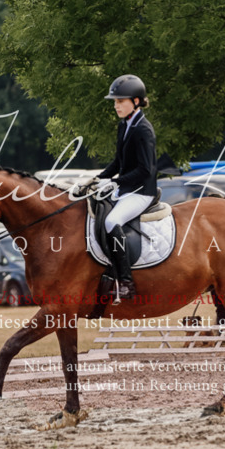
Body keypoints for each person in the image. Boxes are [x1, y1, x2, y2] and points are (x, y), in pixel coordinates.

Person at [74, 74, 157, 302]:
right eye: (115, 101)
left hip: (141, 192)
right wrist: (97, 178)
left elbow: (145, 170)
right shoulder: (125, 125)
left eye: (121, 101)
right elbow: (119, 162)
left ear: (136, 102)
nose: (116, 105)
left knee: (112, 222)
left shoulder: (143, 130)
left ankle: (127, 282)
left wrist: (115, 182)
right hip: (126, 189)